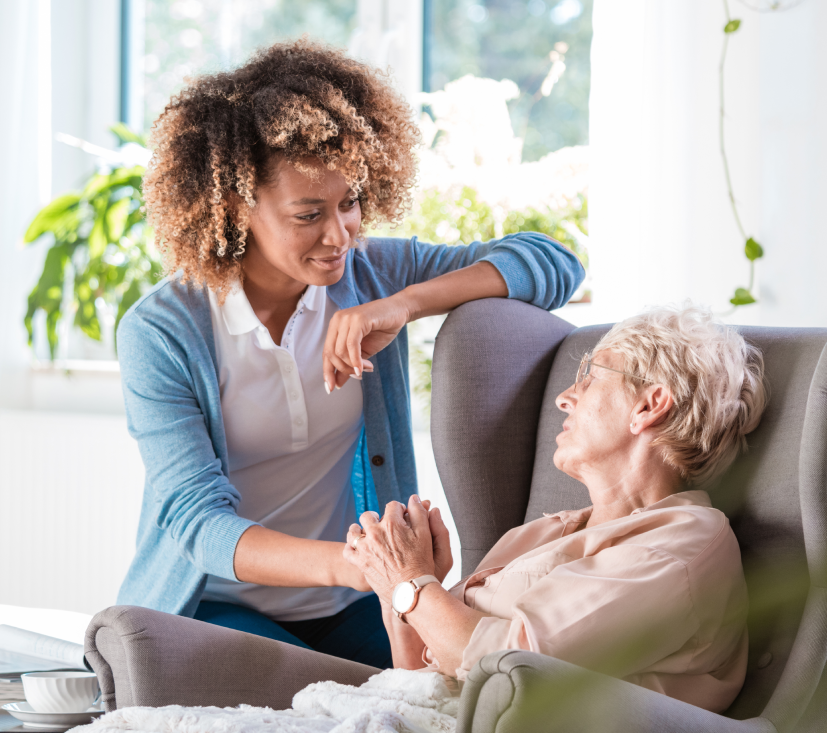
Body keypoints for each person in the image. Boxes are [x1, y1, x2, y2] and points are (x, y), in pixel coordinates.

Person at [114, 39, 585, 671]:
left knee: (468, 681)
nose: (339, 236)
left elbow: (554, 264)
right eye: (309, 214)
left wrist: (405, 304)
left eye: (350, 202)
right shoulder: (163, 331)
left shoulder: (370, 276)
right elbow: (198, 526)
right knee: (315, 696)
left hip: (348, 600)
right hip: (215, 604)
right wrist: (365, 565)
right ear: (236, 207)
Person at [345, 304, 767, 712]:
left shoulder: (682, 545)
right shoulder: (539, 533)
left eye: (592, 377)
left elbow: (511, 674)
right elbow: (415, 679)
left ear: (649, 405)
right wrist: (396, 584)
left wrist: (411, 583)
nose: (565, 397)